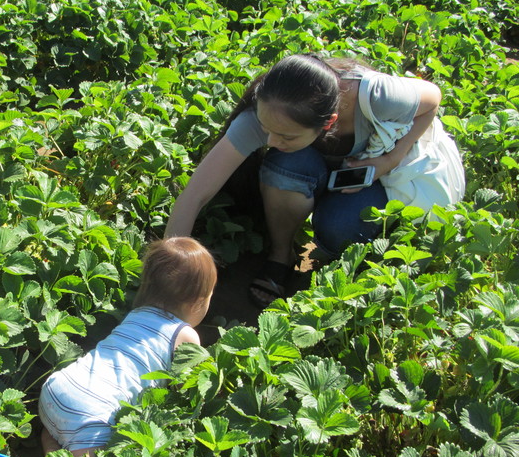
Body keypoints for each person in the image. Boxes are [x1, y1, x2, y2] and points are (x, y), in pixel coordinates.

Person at [164, 53, 465, 307]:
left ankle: (328, 275)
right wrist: (171, 267)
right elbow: (195, 194)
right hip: (317, 169)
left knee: (339, 228)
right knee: (284, 165)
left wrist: (390, 160)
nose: (270, 138)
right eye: (266, 128)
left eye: (285, 135)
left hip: (378, 177)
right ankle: (280, 255)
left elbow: (433, 99)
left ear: (329, 122)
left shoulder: (374, 96)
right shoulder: (269, 115)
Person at [25, 236, 216, 457]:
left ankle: (53, 444)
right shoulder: (185, 336)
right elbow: (190, 388)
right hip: (89, 410)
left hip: (57, 390)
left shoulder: (136, 315)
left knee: (61, 434)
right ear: (198, 302)